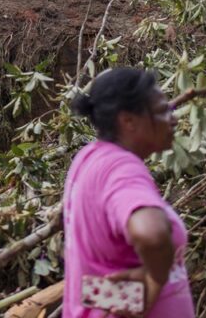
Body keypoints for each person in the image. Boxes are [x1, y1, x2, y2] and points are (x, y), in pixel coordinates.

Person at [62, 67, 194, 317]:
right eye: (163, 111)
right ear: (129, 121)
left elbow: (96, 268)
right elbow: (151, 234)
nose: (173, 119)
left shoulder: (90, 158)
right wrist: (155, 281)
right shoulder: (121, 168)